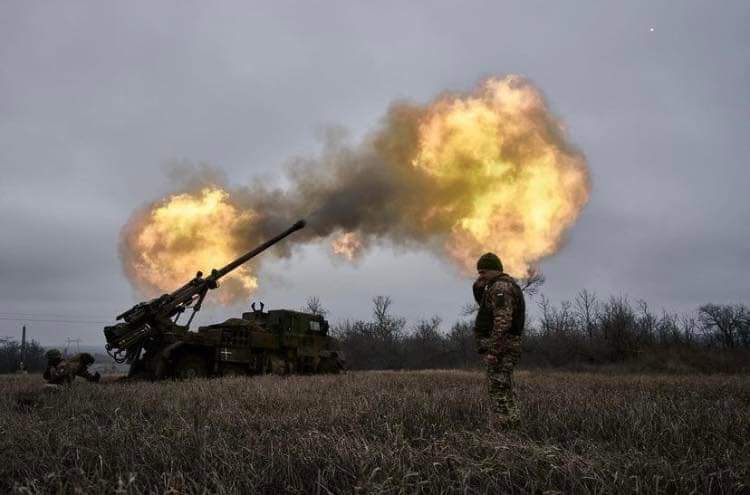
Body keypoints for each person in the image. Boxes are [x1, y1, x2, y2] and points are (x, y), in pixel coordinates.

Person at [472, 252, 525, 428]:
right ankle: (514, 428)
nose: (480, 276)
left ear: (495, 270)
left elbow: (502, 322)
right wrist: (478, 289)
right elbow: (487, 310)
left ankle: (507, 433)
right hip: (506, 346)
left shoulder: (500, 288)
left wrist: (494, 351)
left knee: (498, 389)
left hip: (503, 348)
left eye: (483, 272)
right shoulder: (498, 286)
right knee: (503, 389)